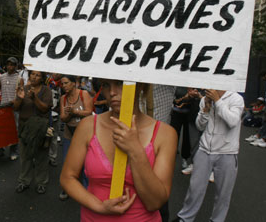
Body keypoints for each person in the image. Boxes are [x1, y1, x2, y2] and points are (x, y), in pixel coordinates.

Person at [60, 80, 178, 221]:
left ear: (140, 86)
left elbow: (155, 202)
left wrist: (135, 151)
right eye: (106, 85)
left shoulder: (164, 134)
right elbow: (67, 177)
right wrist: (100, 206)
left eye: (121, 84)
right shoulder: (88, 126)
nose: (112, 93)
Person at [173, 89, 244, 222]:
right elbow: (200, 126)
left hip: (227, 152)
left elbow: (233, 121)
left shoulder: (236, 98)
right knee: (195, 188)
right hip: (205, 149)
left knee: (223, 193)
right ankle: (185, 217)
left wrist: (218, 101)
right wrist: (205, 109)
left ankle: (217, 219)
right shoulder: (205, 99)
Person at [13, 70, 53, 194]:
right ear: (29, 75)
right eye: (33, 74)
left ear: (42, 78)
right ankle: (24, 181)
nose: (34, 77)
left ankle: (41, 182)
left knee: (41, 157)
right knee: (25, 156)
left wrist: (34, 98)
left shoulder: (46, 91)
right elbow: (15, 107)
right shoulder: (24, 88)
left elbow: (45, 108)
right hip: (25, 128)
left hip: (40, 129)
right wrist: (19, 99)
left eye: (38, 75)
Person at [59, 74, 93, 200]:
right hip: (69, 132)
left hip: (84, 134)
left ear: (74, 83)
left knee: (85, 162)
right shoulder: (63, 98)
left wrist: (75, 112)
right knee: (67, 160)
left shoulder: (83, 94)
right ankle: (67, 188)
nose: (64, 86)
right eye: (62, 84)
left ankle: (86, 189)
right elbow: (63, 118)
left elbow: (89, 112)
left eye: (66, 83)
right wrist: (69, 114)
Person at [0, 57, 23, 159]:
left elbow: (21, 92)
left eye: (12, 65)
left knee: (14, 131)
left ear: (16, 66)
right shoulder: (2, 77)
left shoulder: (19, 78)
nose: (10, 67)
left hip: (14, 108)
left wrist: (16, 100)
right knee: (1, 129)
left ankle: (14, 152)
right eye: (8, 64)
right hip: (3, 106)